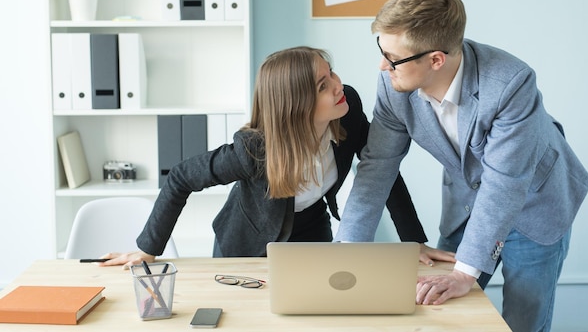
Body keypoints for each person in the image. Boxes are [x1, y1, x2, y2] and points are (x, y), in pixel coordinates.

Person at [334, 0, 588, 332]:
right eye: (382, 49)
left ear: (436, 59)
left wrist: (465, 273)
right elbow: (378, 164)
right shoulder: (394, 82)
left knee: (521, 322)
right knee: (441, 315)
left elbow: (505, 183)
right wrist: (347, 251)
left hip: (535, 204)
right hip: (467, 206)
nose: (382, 65)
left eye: (392, 57)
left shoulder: (510, 83)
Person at [101, 46, 455, 267]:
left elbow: (383, 169)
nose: (338, 85)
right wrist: (148, 248)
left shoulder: (346, 108)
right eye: (322, 85)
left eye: (330, 71)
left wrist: (413, 241)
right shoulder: (254, 150)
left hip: (312, 230)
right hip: (246, 244)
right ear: (296, 106)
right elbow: (180, 178)